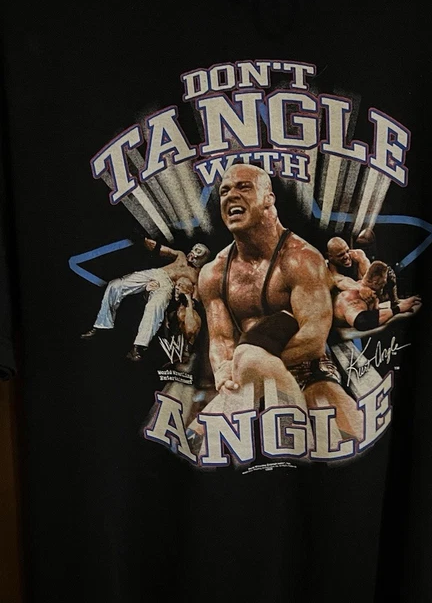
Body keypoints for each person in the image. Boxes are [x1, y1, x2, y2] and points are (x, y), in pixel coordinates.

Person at [198, 163, 362, 439]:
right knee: (200, 441)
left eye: (243, 187)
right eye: (224, 191)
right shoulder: (213, 273)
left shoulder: (301, 258)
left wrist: (256, 363)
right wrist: (225, 370)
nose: (231, 195)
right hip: (245, 374)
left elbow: (313, 338)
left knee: (353, 438)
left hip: (310, 372)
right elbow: (221, 340)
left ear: (268, 198)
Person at [81, 239, 210, 361]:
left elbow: (195, 300)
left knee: (155, 306)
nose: (193, 252)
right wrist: (143, 239)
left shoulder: (196, 277)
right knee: (115, 285)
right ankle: (102, 327)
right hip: (155, 273)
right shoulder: (181, 255)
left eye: (198, 251)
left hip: (166, 285)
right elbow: (162, 249)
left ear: (202, 258)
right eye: (194, 249)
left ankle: (139, 347)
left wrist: (185, 297)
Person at [332, 258, 421, 332]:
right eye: (384, 282)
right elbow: (361, 322)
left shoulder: (370, 291)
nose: (385, 284)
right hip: (335, 336)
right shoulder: (352, 298)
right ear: (375, 282)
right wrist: (398, 309)